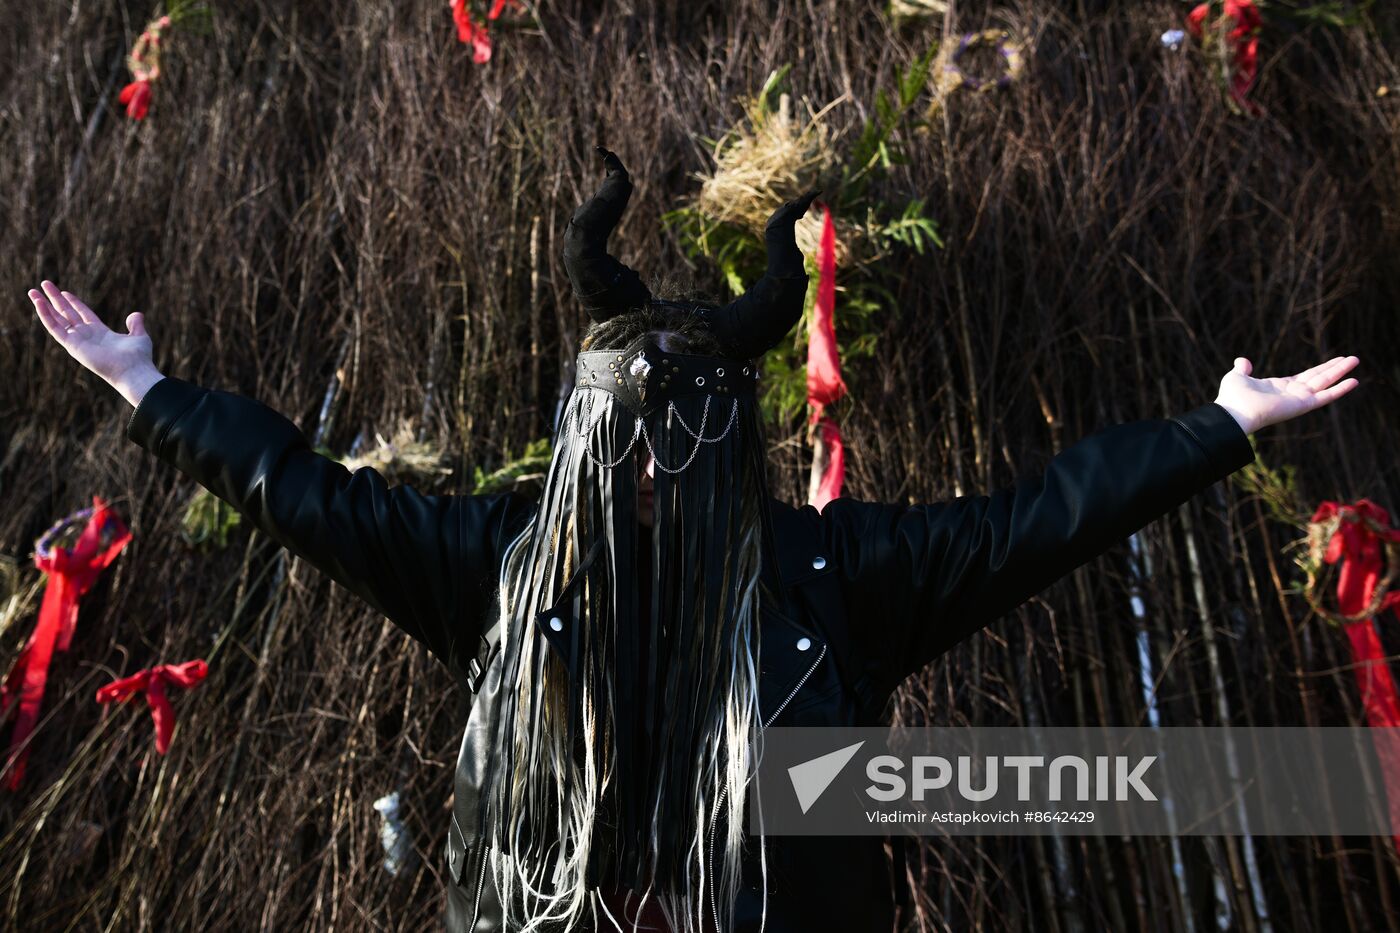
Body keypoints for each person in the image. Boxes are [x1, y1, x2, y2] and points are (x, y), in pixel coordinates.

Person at [29, 147, 1360, 933]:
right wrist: (152, 392)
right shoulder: (502, 564)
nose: (651, 458)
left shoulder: (835, 576)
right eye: (626, 426)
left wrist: (1221, 425)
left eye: (682, 430)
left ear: (721, 441)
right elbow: (307, 495)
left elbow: (1036, 522)